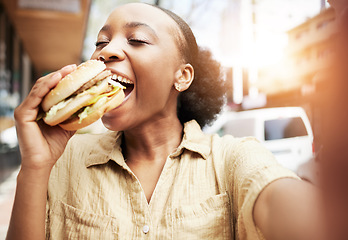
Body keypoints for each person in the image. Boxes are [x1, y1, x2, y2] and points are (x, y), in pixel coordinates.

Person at [6, 3, 324, 240]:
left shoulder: (231, 160)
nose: (106, 52)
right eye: (101, 42)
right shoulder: (65, 157)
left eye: (138, 40)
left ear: (182, 76)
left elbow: (290, 209)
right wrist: (35, 165)